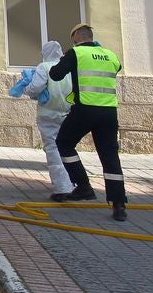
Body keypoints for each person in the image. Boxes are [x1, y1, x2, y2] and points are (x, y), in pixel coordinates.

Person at [49, 23, 127, 221]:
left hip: (85, 108)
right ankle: (119, 205)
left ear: (76, 38)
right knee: (109, 155)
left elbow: (55, 74)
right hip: (109, 111)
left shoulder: (76, 53)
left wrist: (66, 57)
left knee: (64, 143)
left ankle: (83, 186)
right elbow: (116, 69)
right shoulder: (111, 55)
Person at [17, 41, 75, 202]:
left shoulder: (44, 68)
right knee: (68, 148)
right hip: (69, 113)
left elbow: (35, 88)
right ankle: (73, 181)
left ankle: (62, 188)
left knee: (53, 148)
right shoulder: (68, 68)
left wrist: (26, 88)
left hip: (48, 114)